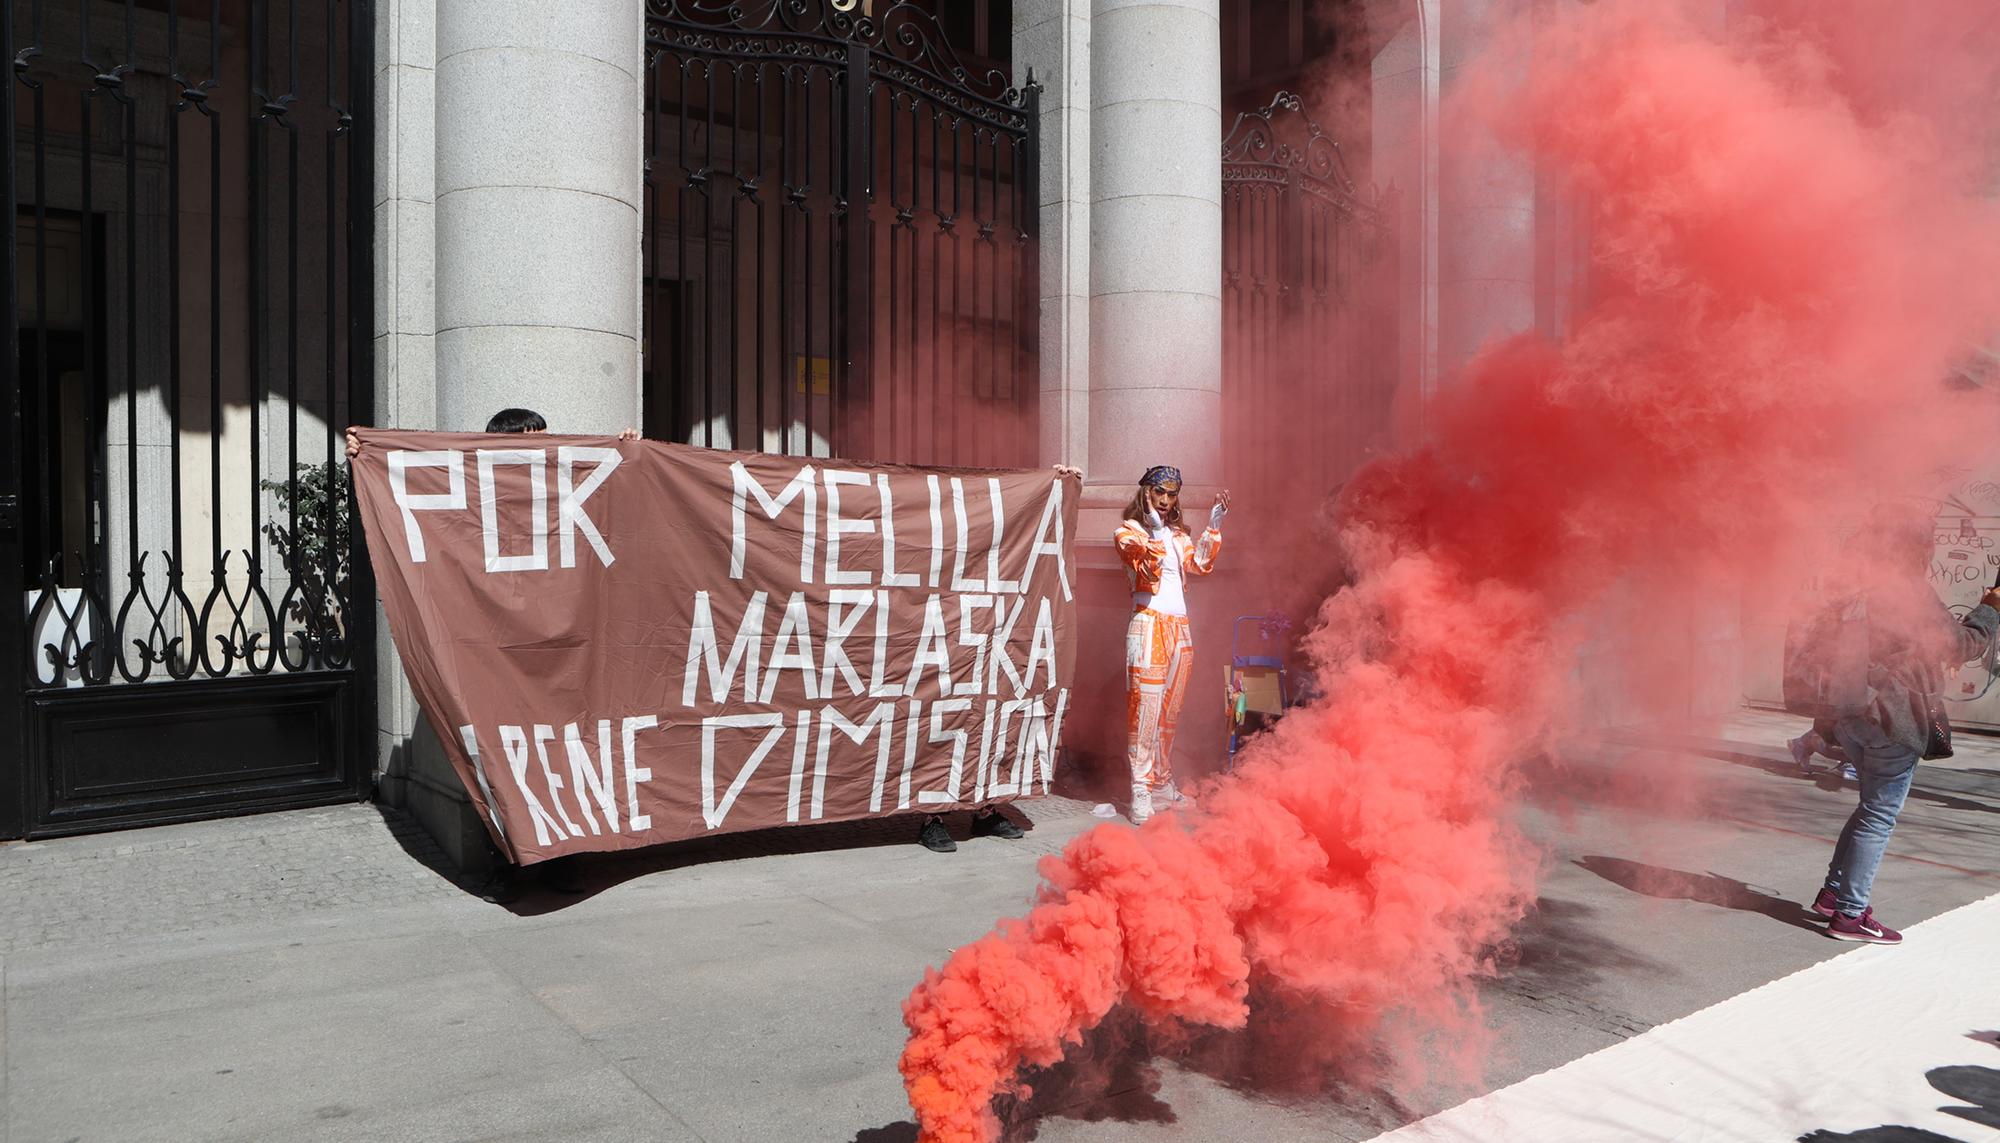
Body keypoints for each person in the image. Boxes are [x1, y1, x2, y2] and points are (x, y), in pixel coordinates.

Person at [345, 407, 636, 901]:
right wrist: (368, 456)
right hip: (497, 654)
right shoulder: (475, 494)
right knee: (506, 760)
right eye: (536, 442)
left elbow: (621, 502)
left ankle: (566, 858)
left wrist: (629, 453)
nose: (547, 451)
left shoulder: (560, 489)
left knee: (564, 753)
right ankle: (517, 866)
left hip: (558, 649)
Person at [1807, 506, 1999, 944]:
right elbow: (1957, 644)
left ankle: (1833, 896)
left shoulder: (1860, 589)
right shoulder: (1907, 592)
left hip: (1853, 715)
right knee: (1879, 816)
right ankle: (1850, 915)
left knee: (1868, 810)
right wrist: (1989, 611)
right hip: (1892, 718)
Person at [918, 463, 1084, 852]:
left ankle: (984, 810)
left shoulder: (999, 534)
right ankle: (932, 815)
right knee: (944, 724)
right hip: (950, 635)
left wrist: (1058, 484)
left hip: (996, 634)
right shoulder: (940, 535)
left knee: (993, 722)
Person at [1114, 465, 1228, 824]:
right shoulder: (1128, 533)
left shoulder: (1177, 536)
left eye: (1172, 494)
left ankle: (1162, 784)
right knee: (1144, 715)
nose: (1165, 500)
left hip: (1180, 631)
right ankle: (1141, 792)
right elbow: (1148, 565)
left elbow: (1201, 565)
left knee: (1169, 715)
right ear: (1145, 492)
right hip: (1147, 629)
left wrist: (1214, 524)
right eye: (1158, 492)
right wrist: (1157, 529)